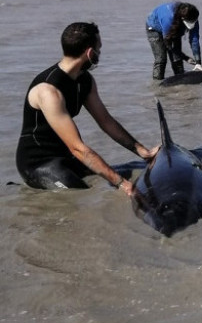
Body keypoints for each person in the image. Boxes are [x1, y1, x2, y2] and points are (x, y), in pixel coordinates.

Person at [16, 22, 159, 196]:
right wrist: (123, 184)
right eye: (99, 49)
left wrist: (143, 151)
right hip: (38, 163)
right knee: (81, 194)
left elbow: (106, 121)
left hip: (67, 156)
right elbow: (77, 147)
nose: (99, 54)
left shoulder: (85, 81)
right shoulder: (48, 91)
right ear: (90, 53)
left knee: (131, 170)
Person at [146, 1, 202, 80]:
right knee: (161, 59)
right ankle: (157, 84)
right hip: (154, 28)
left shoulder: (193, 16)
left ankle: (180, 80)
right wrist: (186, 58)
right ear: (183, 18)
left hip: (175, 26)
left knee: (177, 59)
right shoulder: (168, 18)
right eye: (190, 22)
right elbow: (168, 44)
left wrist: (198, 63)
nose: (193, 23)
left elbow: (194, 40)